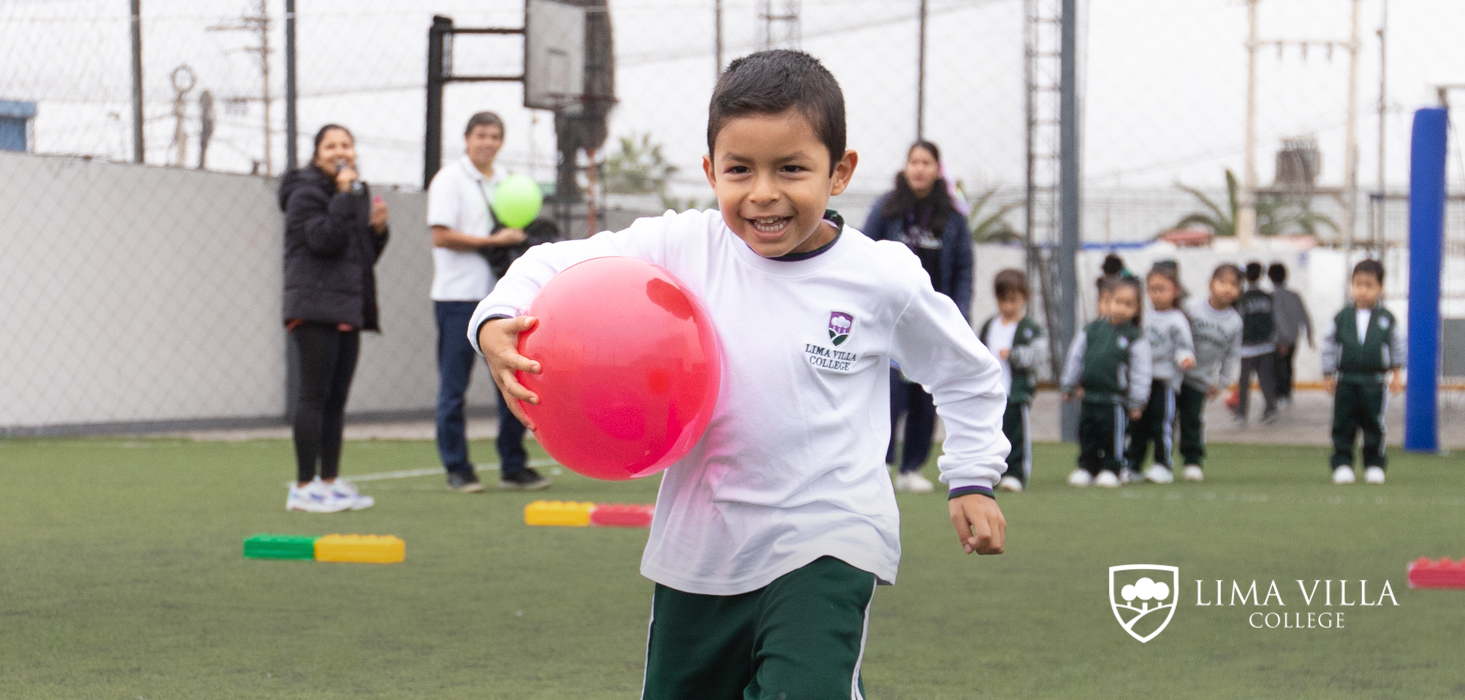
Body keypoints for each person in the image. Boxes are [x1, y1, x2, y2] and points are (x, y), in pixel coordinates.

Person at [473, 50, 1008, 698]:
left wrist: (972, 477)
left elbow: (966, 374)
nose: (763, 193)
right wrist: (497, 317)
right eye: (739, 170)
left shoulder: (880, 277)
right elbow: (556, 263)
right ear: (710, 171)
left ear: (839, 172)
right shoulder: (681, 247)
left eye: (791, 169)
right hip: (700, 549)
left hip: (828, 538)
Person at [425, 111, 549, 493]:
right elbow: (441, 236)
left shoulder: (508, 182)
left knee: (512, 381)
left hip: (501, 301)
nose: (488, 142)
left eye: (495, 136)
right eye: (481, 135)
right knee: (453, 387)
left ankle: (514, 465)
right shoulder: (449, 179)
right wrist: (495, 242)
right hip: (458, 298)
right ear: (466, 138)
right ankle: (457, 468)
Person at [278, 124, 388, 513]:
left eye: (346, 145)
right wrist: (343, 195)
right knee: (314, 395)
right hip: (312, 307)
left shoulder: (354, 193)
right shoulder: (303, 193)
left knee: (336, 400)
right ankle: (304, 486)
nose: (340, 151)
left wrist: (377, 232)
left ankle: (330, 482)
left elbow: (357, 258)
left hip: (346, 308)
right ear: (316, 153)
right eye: (331, 146)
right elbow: (322, 240)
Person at [862, 140, 974, 493]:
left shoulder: (953, 216)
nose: (919, 169)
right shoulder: (887, 207)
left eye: (926, 162)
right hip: (889, 319)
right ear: (906, 167)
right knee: (888, 394)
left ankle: (912, 468)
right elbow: (864, 250)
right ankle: (879, 464)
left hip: (930, 321)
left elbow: (963, 268)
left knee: (926, 398)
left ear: (937, 169)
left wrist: (958, 316)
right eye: (914, 162)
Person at [1060, 276, 1151, 489]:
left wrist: (1138, 400)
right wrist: (1068, 383)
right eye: (1117, 302)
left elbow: (1141, 372)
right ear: (1107, 302)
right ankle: (1087, 467)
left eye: (1128, 304)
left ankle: (1113, 468)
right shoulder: (1091, 330)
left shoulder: (1134, 337)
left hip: (1115, 399)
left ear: (1137, 309)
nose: (1121, 308)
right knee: (1087, 433)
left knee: (1113, 436)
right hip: (1089, 395)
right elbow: (1076, 357)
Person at [1322, 259, 1405, 485]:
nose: (1363, 291)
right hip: (1346, 379)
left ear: (1381, 288)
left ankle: (1374, 465)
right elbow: (1329, 344)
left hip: (1374, 381)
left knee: (1373, 423)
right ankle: (1342, 464)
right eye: (1358, 285)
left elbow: (1397, 346)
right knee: (1343, 422)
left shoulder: (1386, 318)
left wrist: (1396, 373)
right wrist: (1328, 373)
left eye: (1369, 285)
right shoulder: (1342, 317)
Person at [1126, 264, 1195, 484]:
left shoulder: (1177, 320)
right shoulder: (1143, 318)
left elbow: (1183, 346)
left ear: (1174, 291)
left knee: (1161, 423)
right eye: (1152, 288)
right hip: (1141, 381)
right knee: (1137, 426)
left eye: (1161, 288)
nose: (1156, 293)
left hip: (1165, 382)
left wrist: (1184, 357)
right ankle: (1133, 465)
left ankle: (1162, 464)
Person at [980, 269, 1046, 493]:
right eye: (1002, 300)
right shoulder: (990, 325)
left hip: (1015, 392)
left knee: (1016, 433)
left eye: (1013, 300)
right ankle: (992, 473)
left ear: (1024, 298)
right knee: (991, 433)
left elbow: (1039, 356)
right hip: (992, 392)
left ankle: (1016, 473)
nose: (1007, 306)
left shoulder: (1030, 328)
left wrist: (1016, 354)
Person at [1178, 264, 1243, 482]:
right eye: (1222, 282)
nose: (1227, 289)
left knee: (1192, 421)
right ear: (1210, 284)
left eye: (1233, 285)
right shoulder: (1190, 307)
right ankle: (1154, 461)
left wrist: (1221, 382)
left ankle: (1193, 462)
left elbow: (1231, 355)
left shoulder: (1234, 322)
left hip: (1199, 380)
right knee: (1159, 419)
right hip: (1173, 376)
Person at [1234, 261, 1279, 425]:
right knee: (1267, 380)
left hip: (1247, 348)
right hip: (1267, 345)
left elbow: (1238, 321)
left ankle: (1241, 414)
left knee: (1244, 382)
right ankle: (1270, 409)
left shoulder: (1242, 299)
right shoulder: (1267, 297)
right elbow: (1275, 320)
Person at [1268, 262, 1313, 406]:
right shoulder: (1295, 295)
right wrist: (1309, 335)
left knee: (1277, 366)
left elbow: (1275, 319)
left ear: (1270, 277)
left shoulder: (1271, 297)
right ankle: (1286, 394)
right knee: (1288, 365)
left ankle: (1279, 394)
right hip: (1293, 338)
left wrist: (1279, 339)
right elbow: (1305, 316)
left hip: (1277, 339)